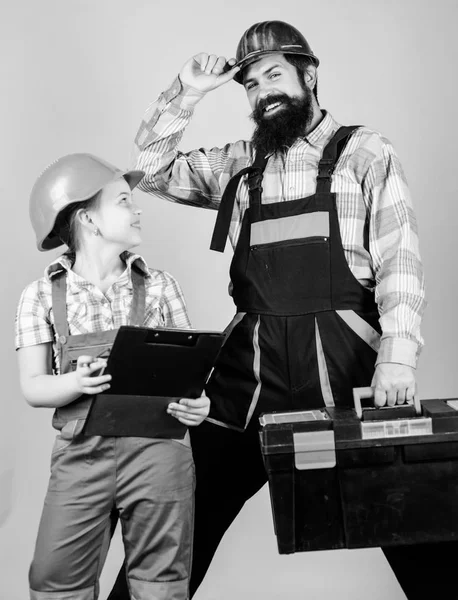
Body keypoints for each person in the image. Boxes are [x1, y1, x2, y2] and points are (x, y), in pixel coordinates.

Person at [109, 20, 453, 600]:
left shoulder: (366, 153)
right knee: (178, 533)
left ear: (309, 75)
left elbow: (400, 262)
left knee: (420, 532)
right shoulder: (241, 165)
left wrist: (397, 361)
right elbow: (150, 169)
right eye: (249, 84)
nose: (262, 91)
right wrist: (187, 90)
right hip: (249, 378)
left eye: (274, 75)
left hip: (348, 374)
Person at [16, 153, 210, 600]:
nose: (138, 209)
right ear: (88, 218)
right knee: (56, 582)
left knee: (161, 583)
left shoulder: (161, 286)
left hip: (160, 452)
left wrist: (199, 404)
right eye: (124, 200)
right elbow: (33, 386)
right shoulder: (41, 295)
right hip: (81, 455)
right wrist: (74, 384)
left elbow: (190, 376)